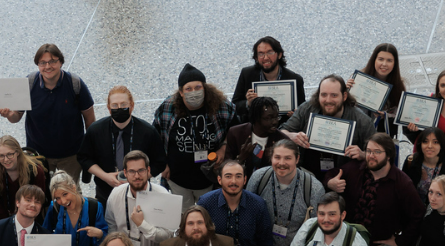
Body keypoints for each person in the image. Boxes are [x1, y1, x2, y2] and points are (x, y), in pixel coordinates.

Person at [0, 44, 95, 179]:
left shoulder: (75, 84)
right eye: (42, 63)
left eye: (52, 61)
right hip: (38, 156)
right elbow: (16, 117)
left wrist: (89, 150)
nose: (47, 66)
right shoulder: (29, 83)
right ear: (37, 65)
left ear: (60, 62)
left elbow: (90, 120)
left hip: (71, 156)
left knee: (70, 193)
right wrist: (9, 114)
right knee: (40, 195)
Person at [325, 133, 425, 246]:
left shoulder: (402, 183)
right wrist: (331, 182)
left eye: (377, 152)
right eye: (368, 151)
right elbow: (331, 173)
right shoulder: (355, 169)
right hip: (346, 243)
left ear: (388, 155)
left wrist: (399, 242)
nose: (371, 156)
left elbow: (419, 215)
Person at [153, 64, 236, 208]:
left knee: (208, 219)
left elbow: (235, 131)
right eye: (188, 89)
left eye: (198, 87)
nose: (194, 92)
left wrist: (223, 148)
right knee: (184, 220)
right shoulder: (167, 108)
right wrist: (162, 164)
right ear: (181, 92)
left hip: (210, 179)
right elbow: (155, 137)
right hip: (177, 179)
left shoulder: (221, 106)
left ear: (205, 87)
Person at [78, 86, 166, 206]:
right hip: (105, 190)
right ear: (109, 108)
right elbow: (84, 158)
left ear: (132, 106)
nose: (119, 108)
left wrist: (139, 177)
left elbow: (160, 162)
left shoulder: (147, 132)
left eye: (123, 104)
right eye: (115, 105)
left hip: (140, 191)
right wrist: (105, 177)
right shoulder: (95, 131)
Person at [246, 140, 325, 246]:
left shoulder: (313, 188)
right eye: (277, 157)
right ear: (271, 158)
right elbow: (247, 215)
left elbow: (317, 229)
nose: (281, 163)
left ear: (297, 159)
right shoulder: (258, 178)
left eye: (288, 158)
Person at [279, 75, 376, 177]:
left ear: (344, 96)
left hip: (344, 179)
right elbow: (281, 132)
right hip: (308, 175)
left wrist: (363, 155)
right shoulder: (307, 108)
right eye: (324, 95)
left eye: (334, 95)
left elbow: (379, 153)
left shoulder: (362, 120)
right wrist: (291, 136)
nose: (328, 100)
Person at [200, 159, 274, 246]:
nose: (233, 181)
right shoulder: (206, 203)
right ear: (219, 180)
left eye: (238, 176)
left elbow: (265, 243)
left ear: (245, 180)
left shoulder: (258, 205)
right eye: (228, 176)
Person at [104, 150, 174, 246]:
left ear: (148, 171)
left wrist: (142, 225)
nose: (137, 176)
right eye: (132, 171)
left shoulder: (163, 195)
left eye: (141, 170)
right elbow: (111, 229)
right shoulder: (116, 194)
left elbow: (168, 236)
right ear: (125, 173)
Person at [43, 171, 108, 246]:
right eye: (57, 198)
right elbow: (44, 235)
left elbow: (105, 240)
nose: (62, 201)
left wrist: (100, 234)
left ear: (73, 188)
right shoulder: (54, 208)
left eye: (65, 194)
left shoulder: (94, 207)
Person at [232, 36, 306, 122]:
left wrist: (296, 116)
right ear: (256, 58)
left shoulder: (295, 79)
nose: (265, 57)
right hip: (254, 127)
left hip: (283, 127)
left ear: (279, 55)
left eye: (270, 52)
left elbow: (302, 111)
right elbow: (234, 106)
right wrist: (248, 103)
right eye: (261, 54)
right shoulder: (247, 74)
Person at [346, 44, 407, 137]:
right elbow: (347, 108)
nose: (384, 64)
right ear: (374, 60)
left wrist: (386, 116)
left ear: (395, 63)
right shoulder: (359, 79)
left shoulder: (398, 85)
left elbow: (399, 114)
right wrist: (345, 91)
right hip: (358, 131)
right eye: (381, 59)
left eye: (389, 60)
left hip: (381, 135)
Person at [225, 96, 294, 177]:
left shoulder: (282, 140)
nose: (275, 122)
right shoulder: (235, 133)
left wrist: (272, 161)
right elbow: (225, 169)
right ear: (256, 118)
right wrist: (240, 159)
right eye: (269, 118)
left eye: (277, 117)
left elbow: (289, 173)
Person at [0, 135, 48, 222]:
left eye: (10, 154)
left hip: (31, 219)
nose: (6, 160)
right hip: (4, 220)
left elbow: (38, 201)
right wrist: (6, 225)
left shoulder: (35, 170)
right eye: (1, 156)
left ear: (18, 152)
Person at [401, 127, 445, 206]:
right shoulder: (410, 161)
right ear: (420, 144)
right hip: (413, 212)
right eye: (425, 142)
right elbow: (402, 191)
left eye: (435, 142)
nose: (430, 146)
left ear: (441, 145)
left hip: (439, 215)